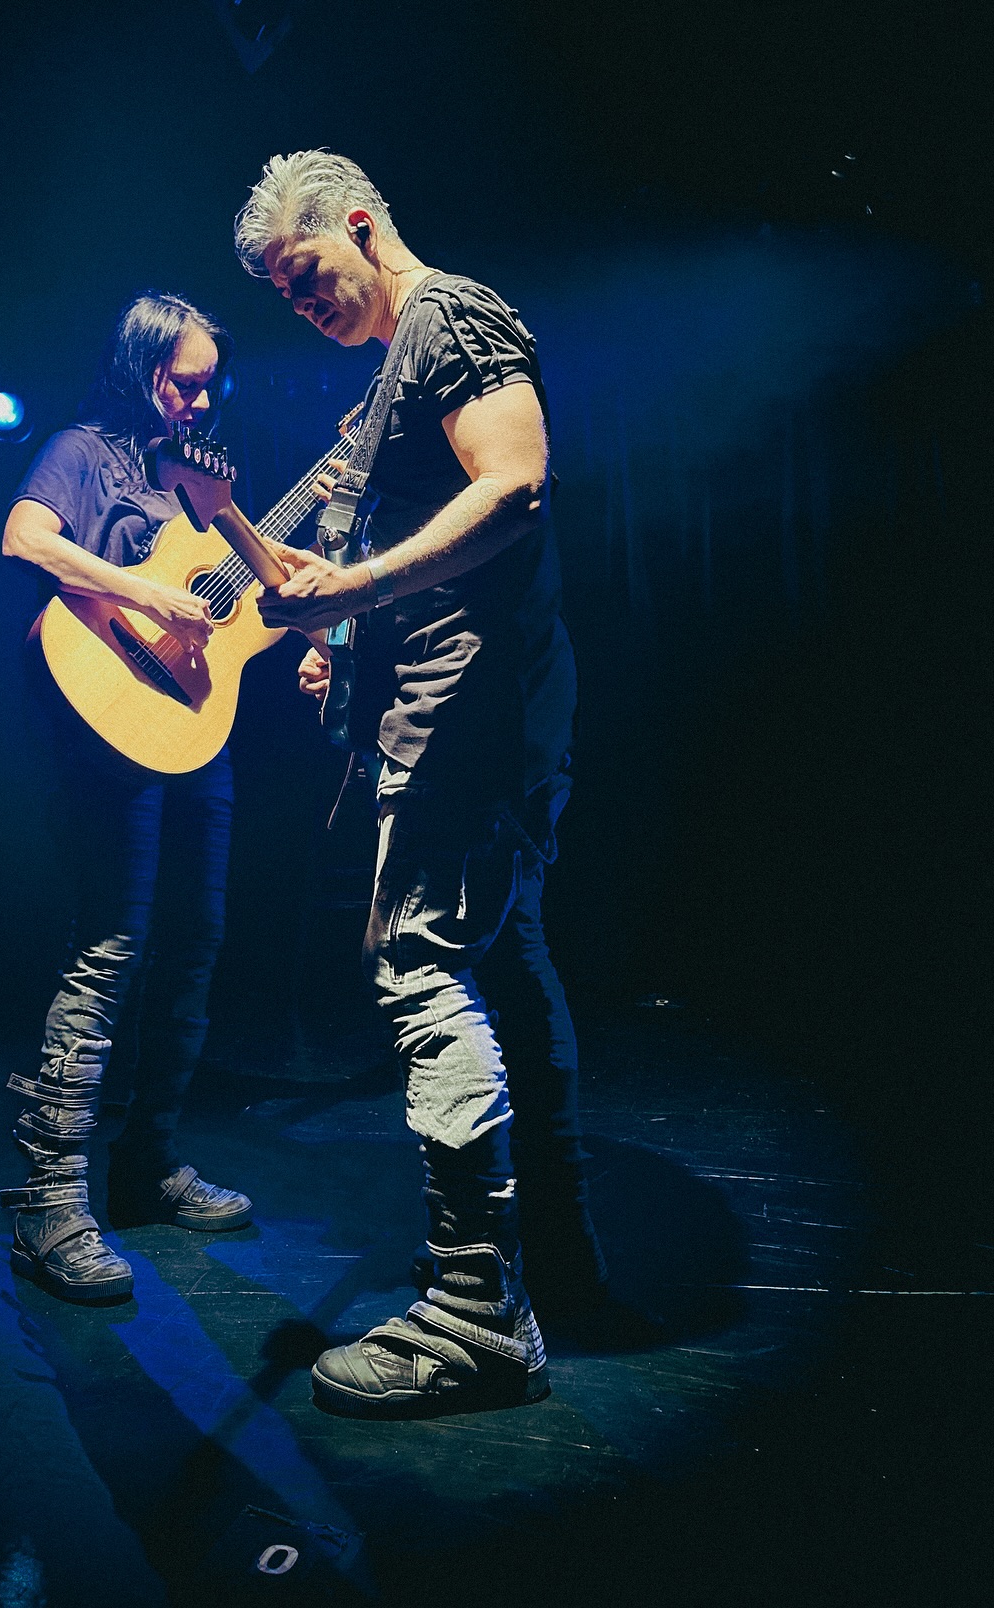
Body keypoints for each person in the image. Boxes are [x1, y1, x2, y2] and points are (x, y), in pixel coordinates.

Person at [234, 150, 615, 1417]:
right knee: (506, 963)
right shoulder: (397, 362)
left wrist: (347, 592)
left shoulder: (449, 314)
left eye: (306, 276)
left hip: (472, 720)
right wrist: (344, 643)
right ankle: (553, 1260)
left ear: (357, 224)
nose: (303, 306)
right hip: (458, 710)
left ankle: (473, 1315)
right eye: (284, 299)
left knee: (418, 969)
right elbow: (435, 543)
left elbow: (516, 489)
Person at [0, 292, 253, 1303]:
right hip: (104, 720)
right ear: (141, 367)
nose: (200, 397)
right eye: (184, 379)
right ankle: (46, 1203)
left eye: (209, 383)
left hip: (194, 722)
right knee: (110, 946)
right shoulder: (83, 450)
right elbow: (25, 539)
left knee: (196, 937)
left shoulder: (191, 480)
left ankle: (147, 1165)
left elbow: (232, 607)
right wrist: (150, 595)